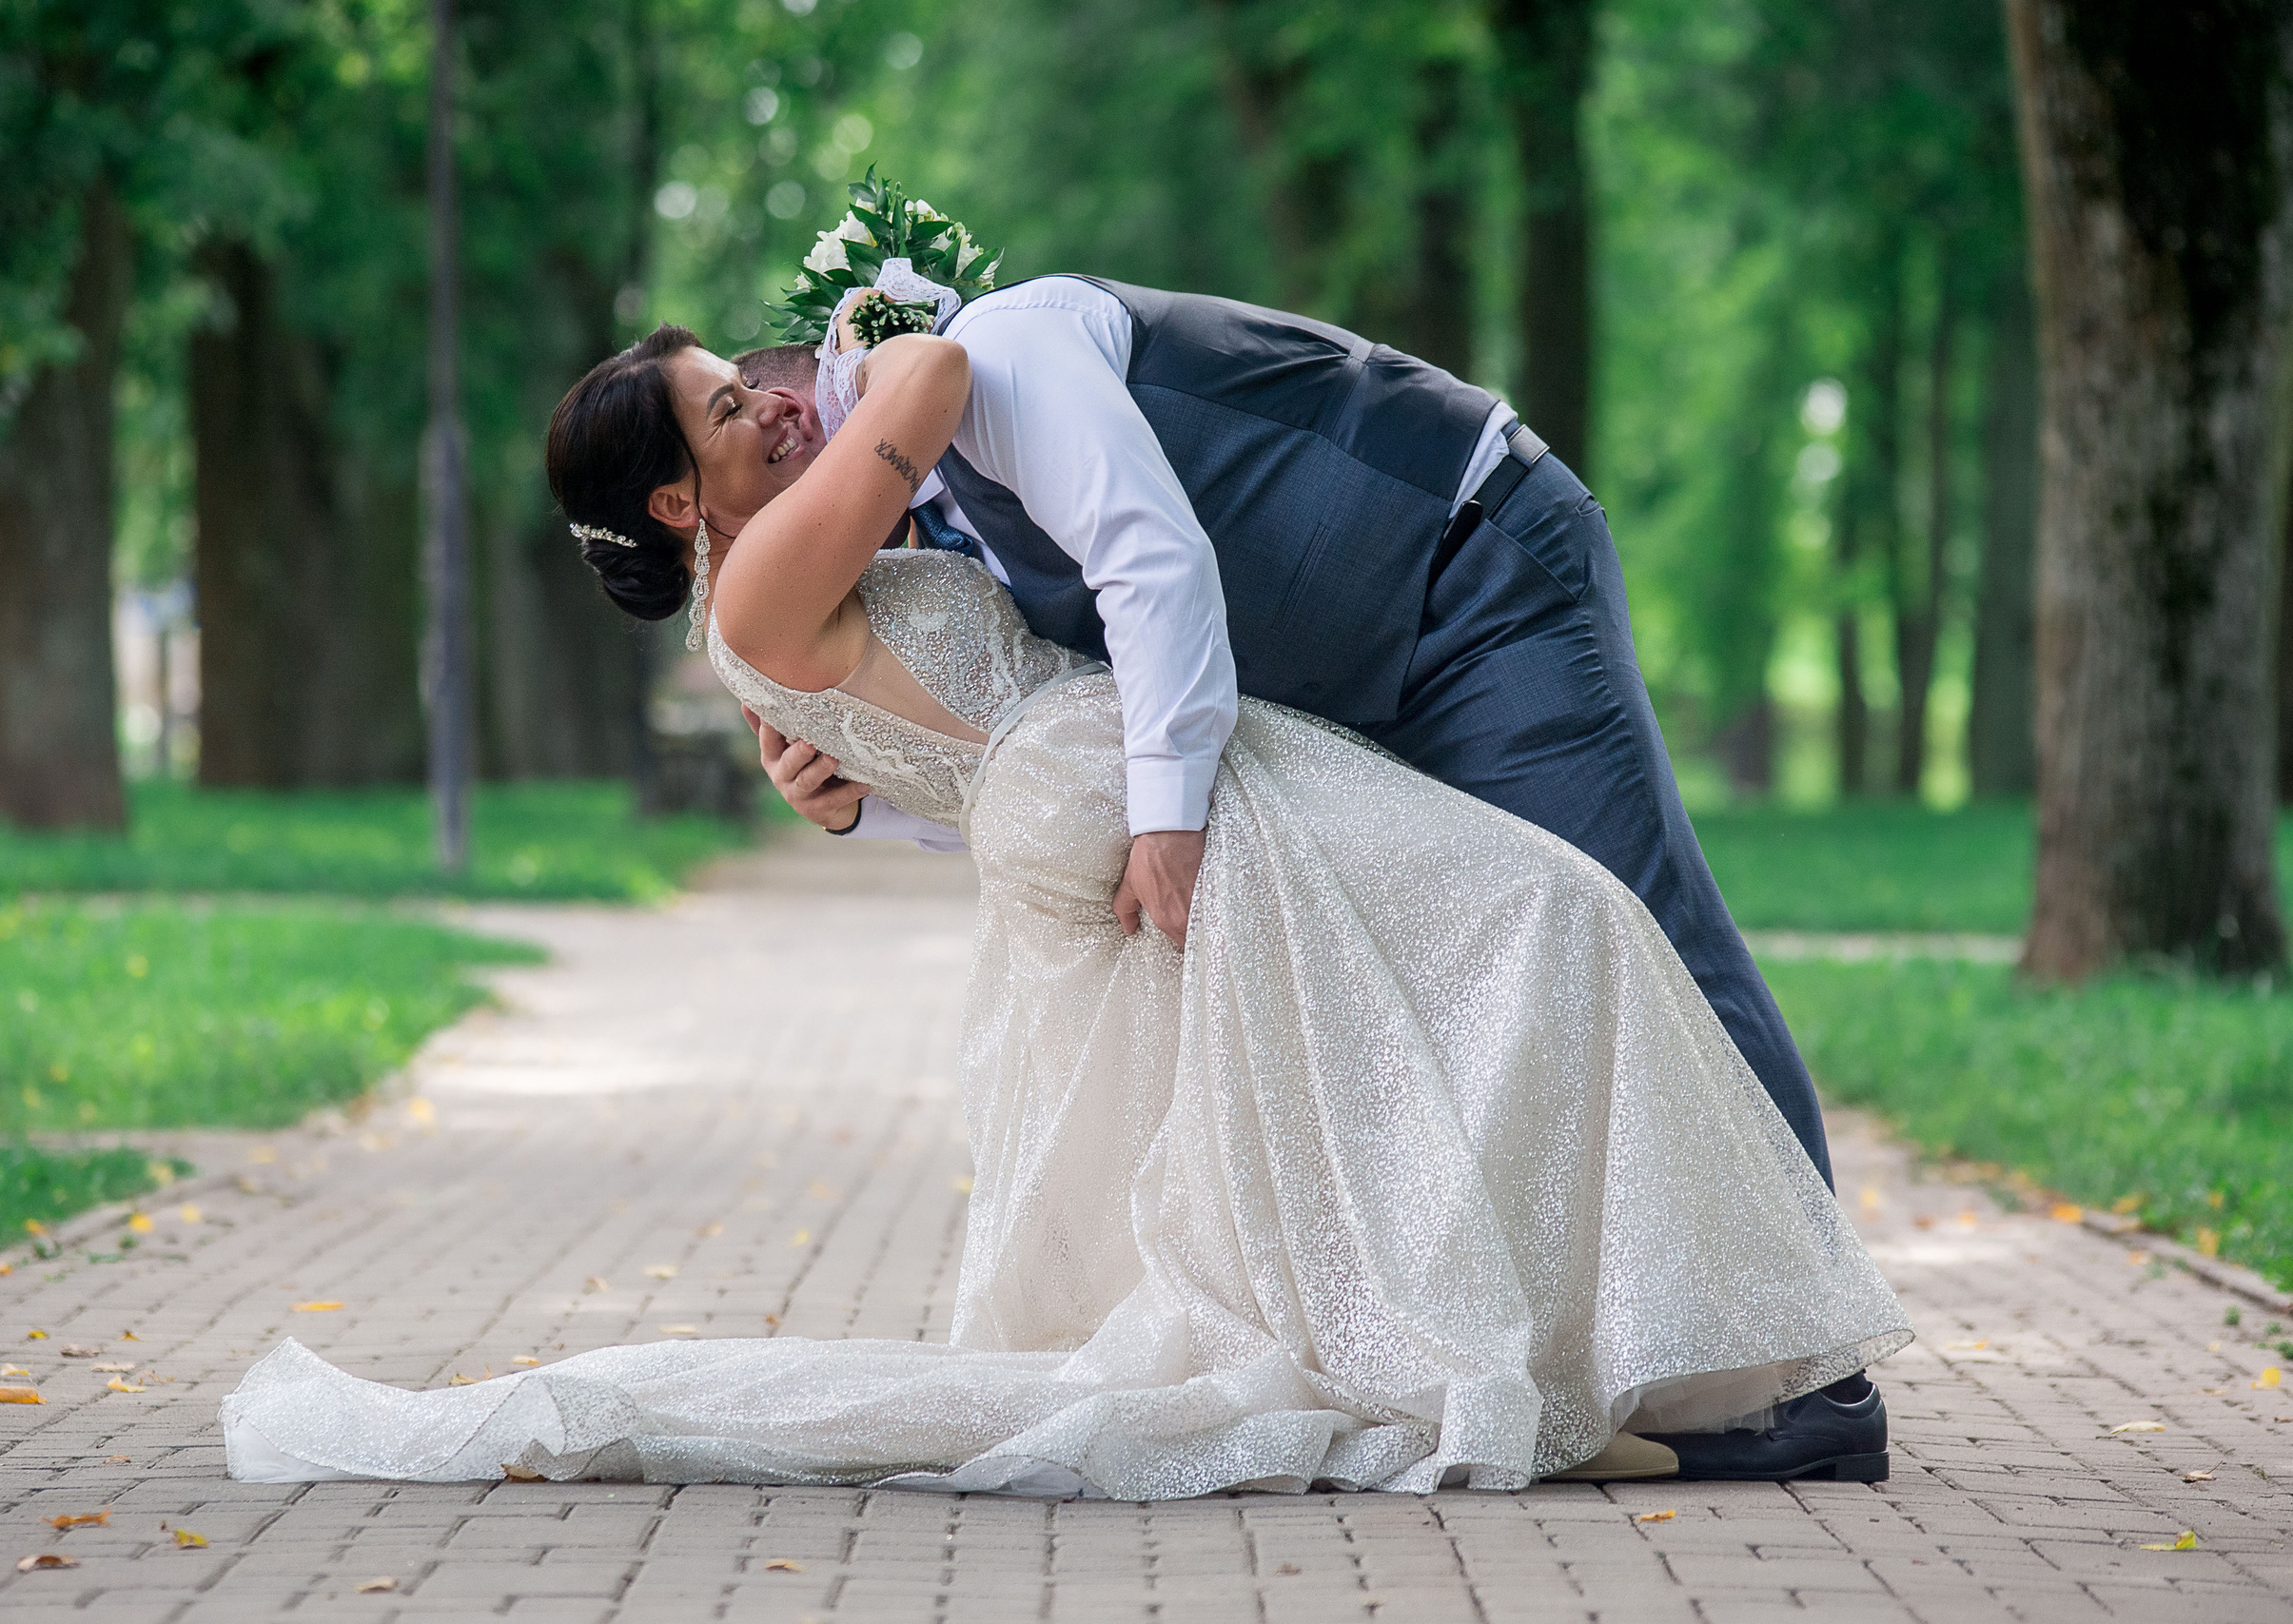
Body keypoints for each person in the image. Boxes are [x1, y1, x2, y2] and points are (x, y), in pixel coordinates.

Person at [218, 317, 1911, 1495]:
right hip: (1114, 781)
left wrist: (854, 791)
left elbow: (924, 725)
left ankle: (1684, 1346)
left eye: (751, 382)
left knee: (1432, 1003)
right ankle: (1731, 1353)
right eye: (727, 409)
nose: (770, 398)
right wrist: (885, 325)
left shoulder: (762, 593)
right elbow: (947, 372)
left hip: (1094, 777)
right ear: (679, 502)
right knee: (1558, 928)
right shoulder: (767, 576)